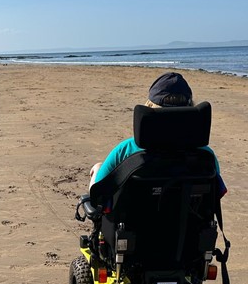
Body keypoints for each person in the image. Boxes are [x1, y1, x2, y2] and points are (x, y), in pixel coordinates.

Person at [89, 72, 227, 195]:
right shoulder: (205, 155)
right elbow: (215, 193)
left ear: (149, 107)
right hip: (190, 222)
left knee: (99, 168)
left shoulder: (127, 150)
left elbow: (97, 197)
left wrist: (98, 169)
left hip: (135, 222)